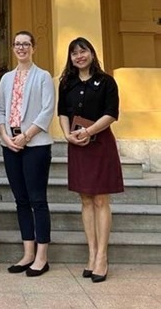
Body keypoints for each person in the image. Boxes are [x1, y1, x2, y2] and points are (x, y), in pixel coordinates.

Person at [58, 37, 123, 283]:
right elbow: (62, 112)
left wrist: (88, 131)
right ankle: (92, 253)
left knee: (100, 200)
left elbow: (111, 114)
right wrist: (67, 135)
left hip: (100, 144)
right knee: (85, 199)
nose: (79, 56)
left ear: (92, 53)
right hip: (77, 145)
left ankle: (102, 257)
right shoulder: (67, 83)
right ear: (70, 58)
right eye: (74, 53)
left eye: (82, 51)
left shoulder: (106, 82)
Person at [0, 31, 55, 277]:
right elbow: (0, 110)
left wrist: (26, 135)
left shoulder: (43, 76)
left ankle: (42, 256)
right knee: (20, 200)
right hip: (11, 146)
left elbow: (47, 110)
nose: (21, 48)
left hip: (36, 145)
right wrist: (5, 136)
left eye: (26, 44)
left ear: (34, 47)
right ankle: (28, 252)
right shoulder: (7, 78)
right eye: (17, 44)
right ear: (12, 48)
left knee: (37, 200)